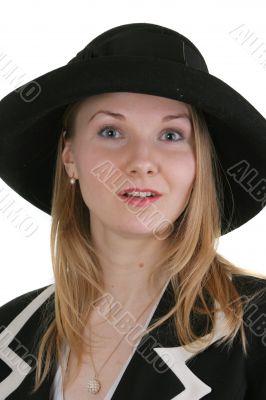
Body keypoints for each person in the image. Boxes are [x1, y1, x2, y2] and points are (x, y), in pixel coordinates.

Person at [0, 22, 266, 400]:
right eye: (111, 132)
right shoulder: (7, 331)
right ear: (70, 155)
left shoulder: (255, 328)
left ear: (199, 164)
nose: (142, 161)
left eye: (171, 135)